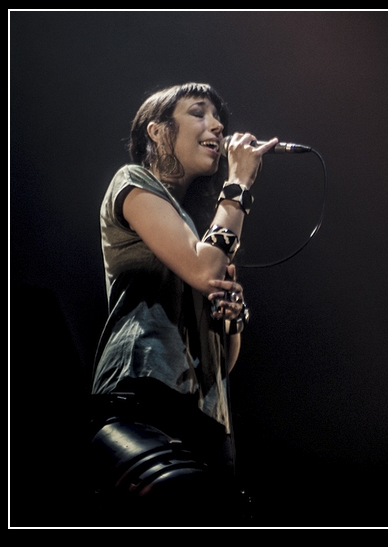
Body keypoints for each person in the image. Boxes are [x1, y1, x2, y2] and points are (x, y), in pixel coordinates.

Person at [89, 83, 276, 526]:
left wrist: (232, 321)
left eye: (219, 118)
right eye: (199, 112)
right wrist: (238, 185)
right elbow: (204, 269)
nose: (217, 126)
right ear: (157, 131)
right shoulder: (132, 182)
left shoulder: (198, 229)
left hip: (209, 418)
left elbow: (223, 362)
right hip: (146, 394)